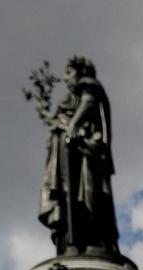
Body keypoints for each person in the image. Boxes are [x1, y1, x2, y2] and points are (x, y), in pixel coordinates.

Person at [37, 55, 120, 258]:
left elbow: (88, 102)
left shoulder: (89, 85)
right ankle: (73, 242)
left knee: (87, 196)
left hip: (85, 153)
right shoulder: (73, 97)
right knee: (71, 197)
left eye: (69, 72)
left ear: (81, 72)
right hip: (71, 154)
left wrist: (73, 125)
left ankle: (88, 241)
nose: (66, 79)